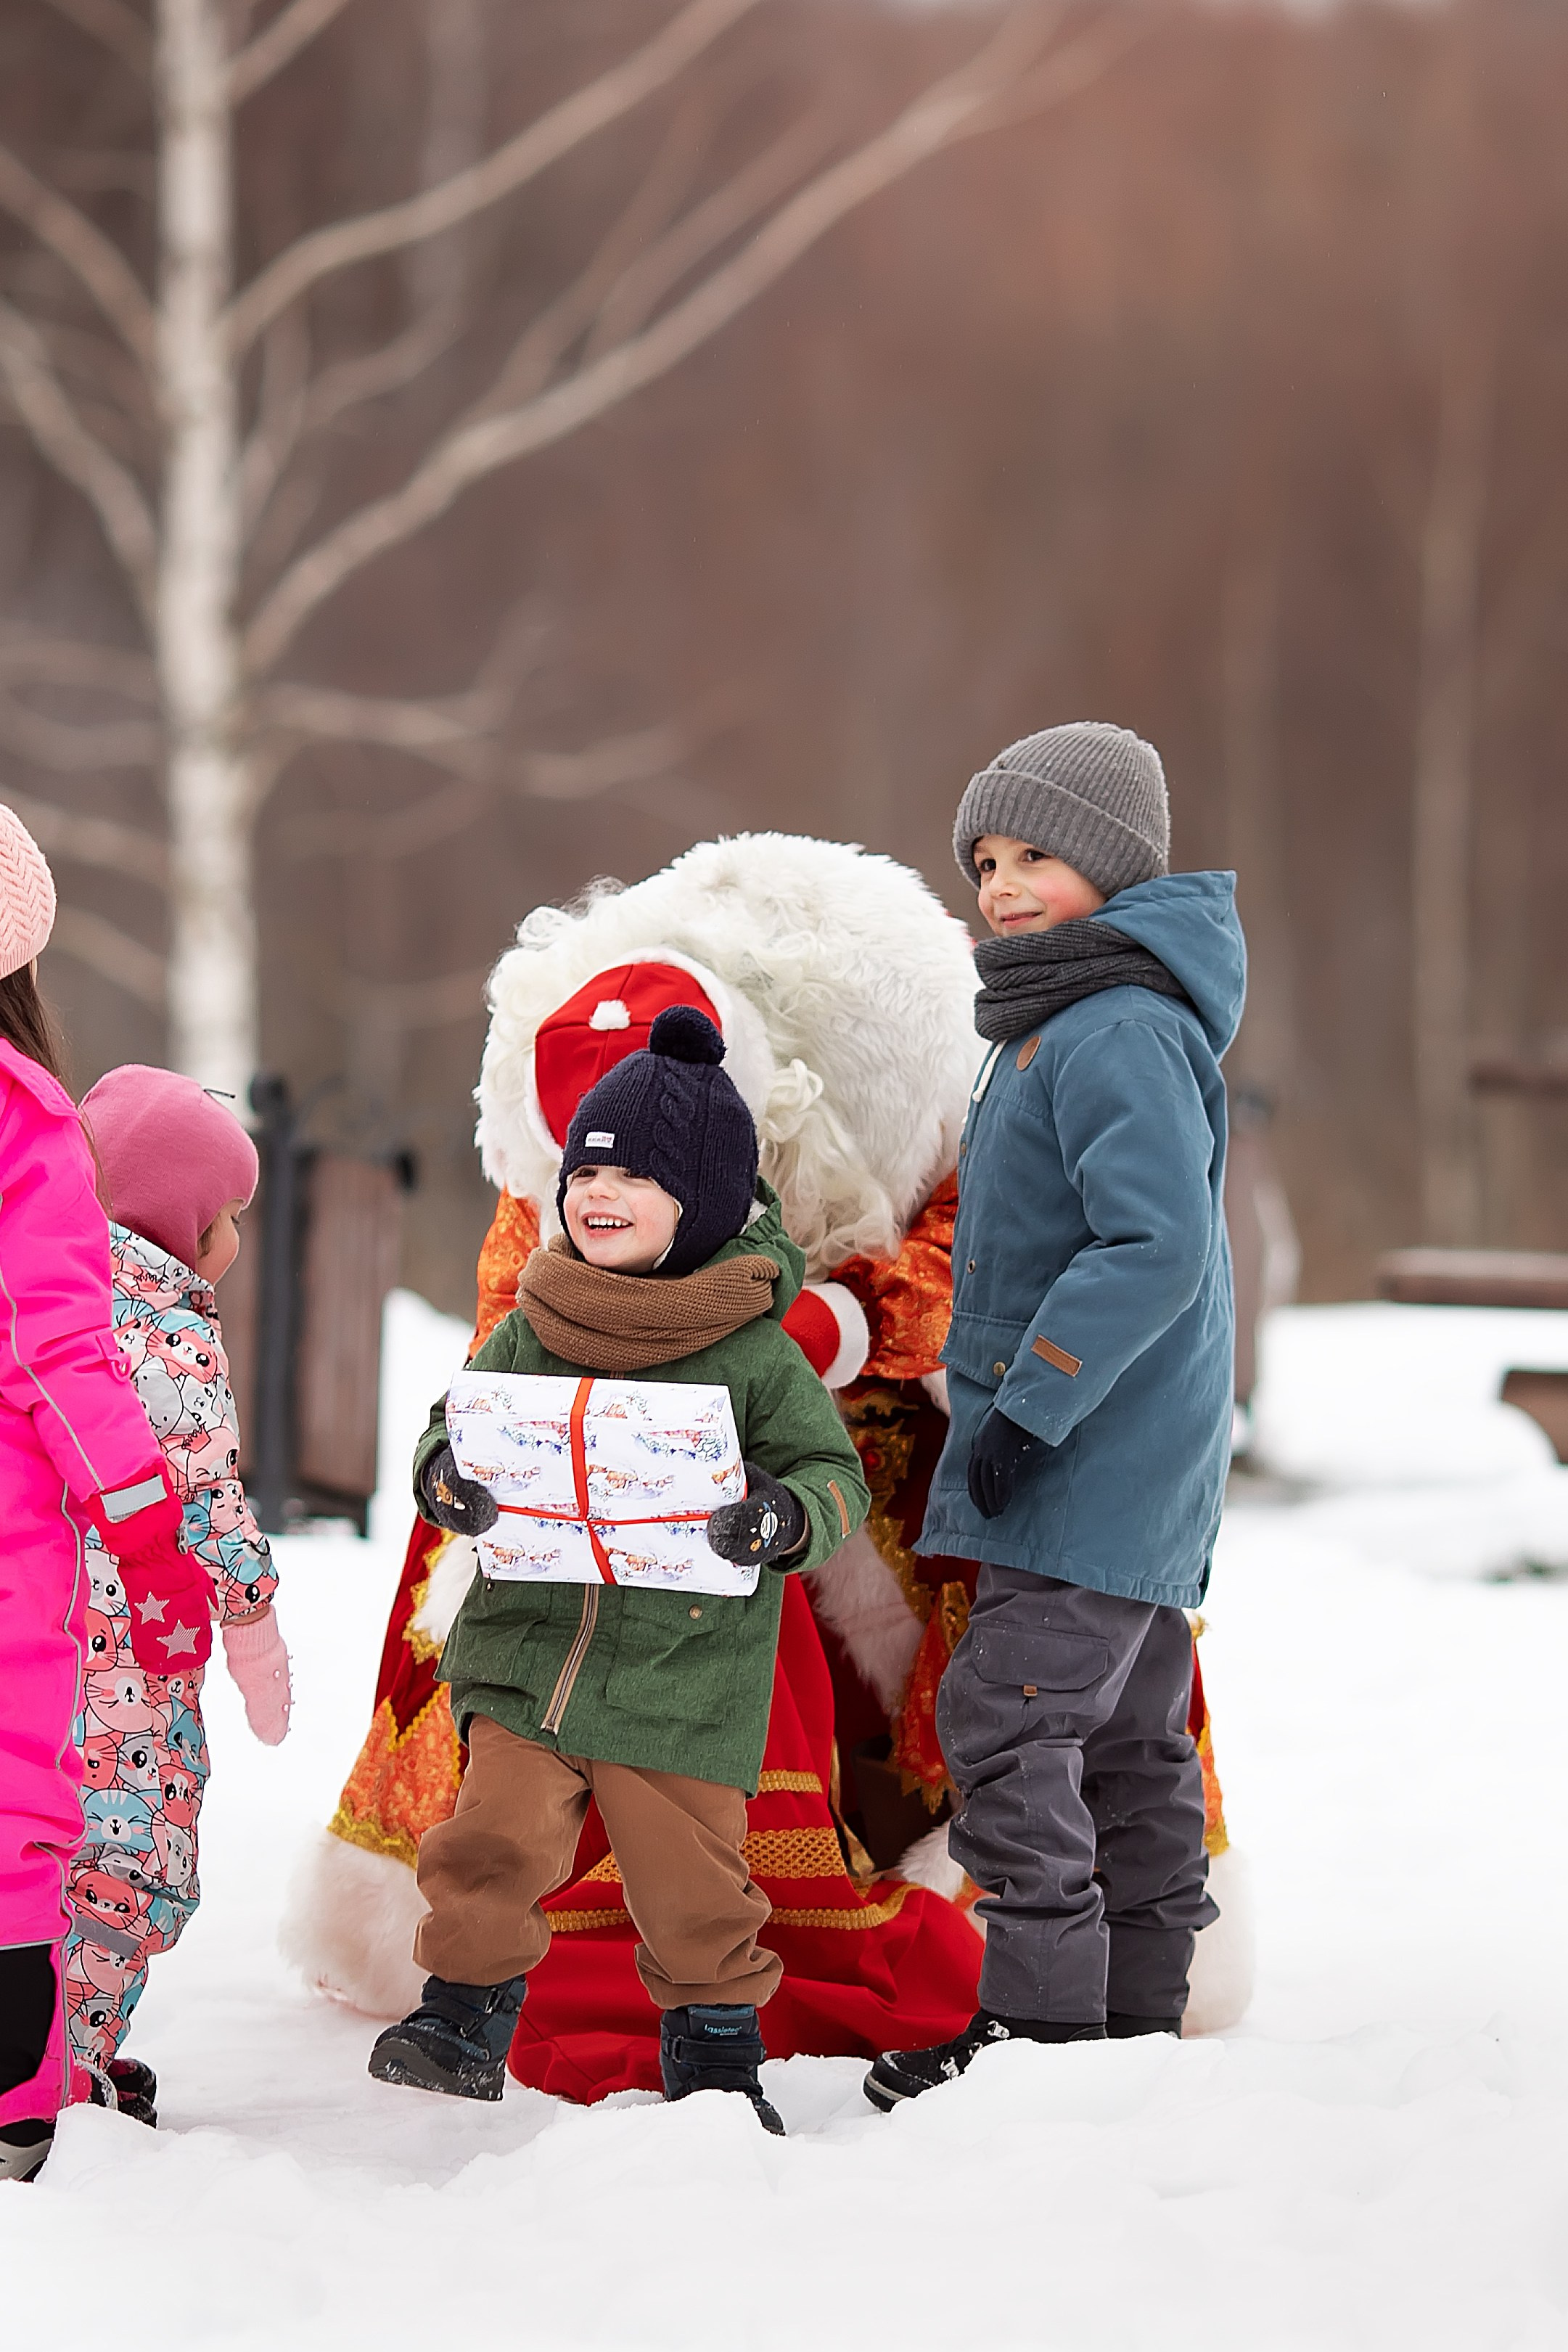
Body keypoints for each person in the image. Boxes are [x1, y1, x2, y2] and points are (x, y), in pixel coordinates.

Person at [368, 1005, 870, 2131]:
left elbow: (832, 1477)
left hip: (682, 1673)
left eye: (638, 1177)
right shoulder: (531, 1323)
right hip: (530, 1650)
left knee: (693, 1882)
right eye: (587, 1170)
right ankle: (460, 2010)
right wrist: (446, 1475)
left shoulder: (751, 1351)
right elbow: (453, 1428)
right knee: (488, 1838)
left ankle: (715, 2049)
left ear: (700, 1200)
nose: (600, 1191)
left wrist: (782, 1513)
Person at [865, 721, 1246, 2110]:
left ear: (1115, 859)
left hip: (1089, 1451)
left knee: (1010, 1717)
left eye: (1037, 853)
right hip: (1117, 1463)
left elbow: (1151, 1243)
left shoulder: (1113, 1026)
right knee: (1130, 1737)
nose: (1002, 883)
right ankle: (1138, 2014)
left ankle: (1036, 2032)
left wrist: (1031, 1403)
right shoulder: (1068, 1017)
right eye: (983, 857)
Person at [0, 811, 209, 2184]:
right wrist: (145, 1525)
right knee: (17, 1805)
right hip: (14, 1541)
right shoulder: (22, 1117)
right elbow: (57, 1348)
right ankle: (15, 2100)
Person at [59, 1066, 287, 2125]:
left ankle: (44, 2048)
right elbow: (208, 1504)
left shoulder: (41, 1295)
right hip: (132, 1666)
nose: (234, 1239)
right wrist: (254, 1631)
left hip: (37, 1646)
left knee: (40, 1853)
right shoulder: (168, 1339)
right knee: (131, 1858)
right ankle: (72, 2061)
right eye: (228, 1216)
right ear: (184, 1222)